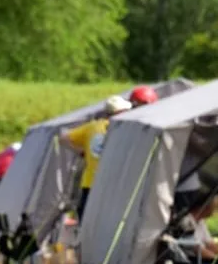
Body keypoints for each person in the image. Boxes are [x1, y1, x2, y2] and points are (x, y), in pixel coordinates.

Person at [63, 86, 159, 219]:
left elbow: (63, 138)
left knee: (86, 219)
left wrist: (81, 151)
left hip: (89, 183)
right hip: (112, 183)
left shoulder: (92, 127)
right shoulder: (122, 128)